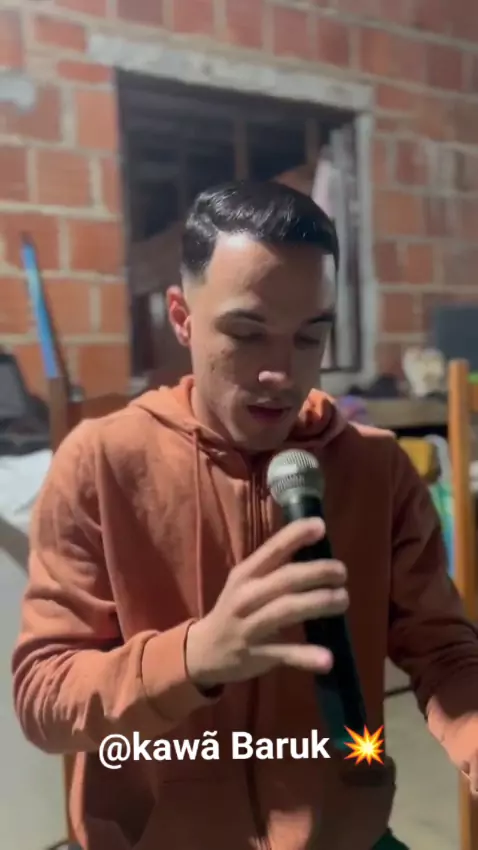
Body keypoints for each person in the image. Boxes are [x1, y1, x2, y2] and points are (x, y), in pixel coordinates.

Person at [11, 180, 478, 850]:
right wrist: (194, 658)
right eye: (247, 334)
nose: (281, 373)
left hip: (342, 835)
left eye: (310, 337)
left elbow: (444, 651)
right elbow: (43, 699)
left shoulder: (377, 469)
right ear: (182, 317)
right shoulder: (100, 463)